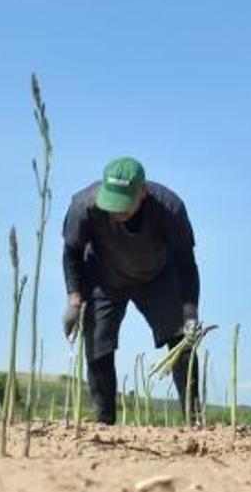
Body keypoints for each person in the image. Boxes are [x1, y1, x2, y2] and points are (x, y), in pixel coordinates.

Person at [61, 156, 203, 424]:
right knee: (98, 344)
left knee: (181, 342)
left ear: (143, 192)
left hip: (157, 277)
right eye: (111, 204)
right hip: (104, 277)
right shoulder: (83, 206)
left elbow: (185, 262)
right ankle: (104, 423)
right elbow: (71, 252)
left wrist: (190, 311)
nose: (116, 213)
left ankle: (194, 420)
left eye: (124, 206)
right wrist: (75, 300)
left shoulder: (169, 208)